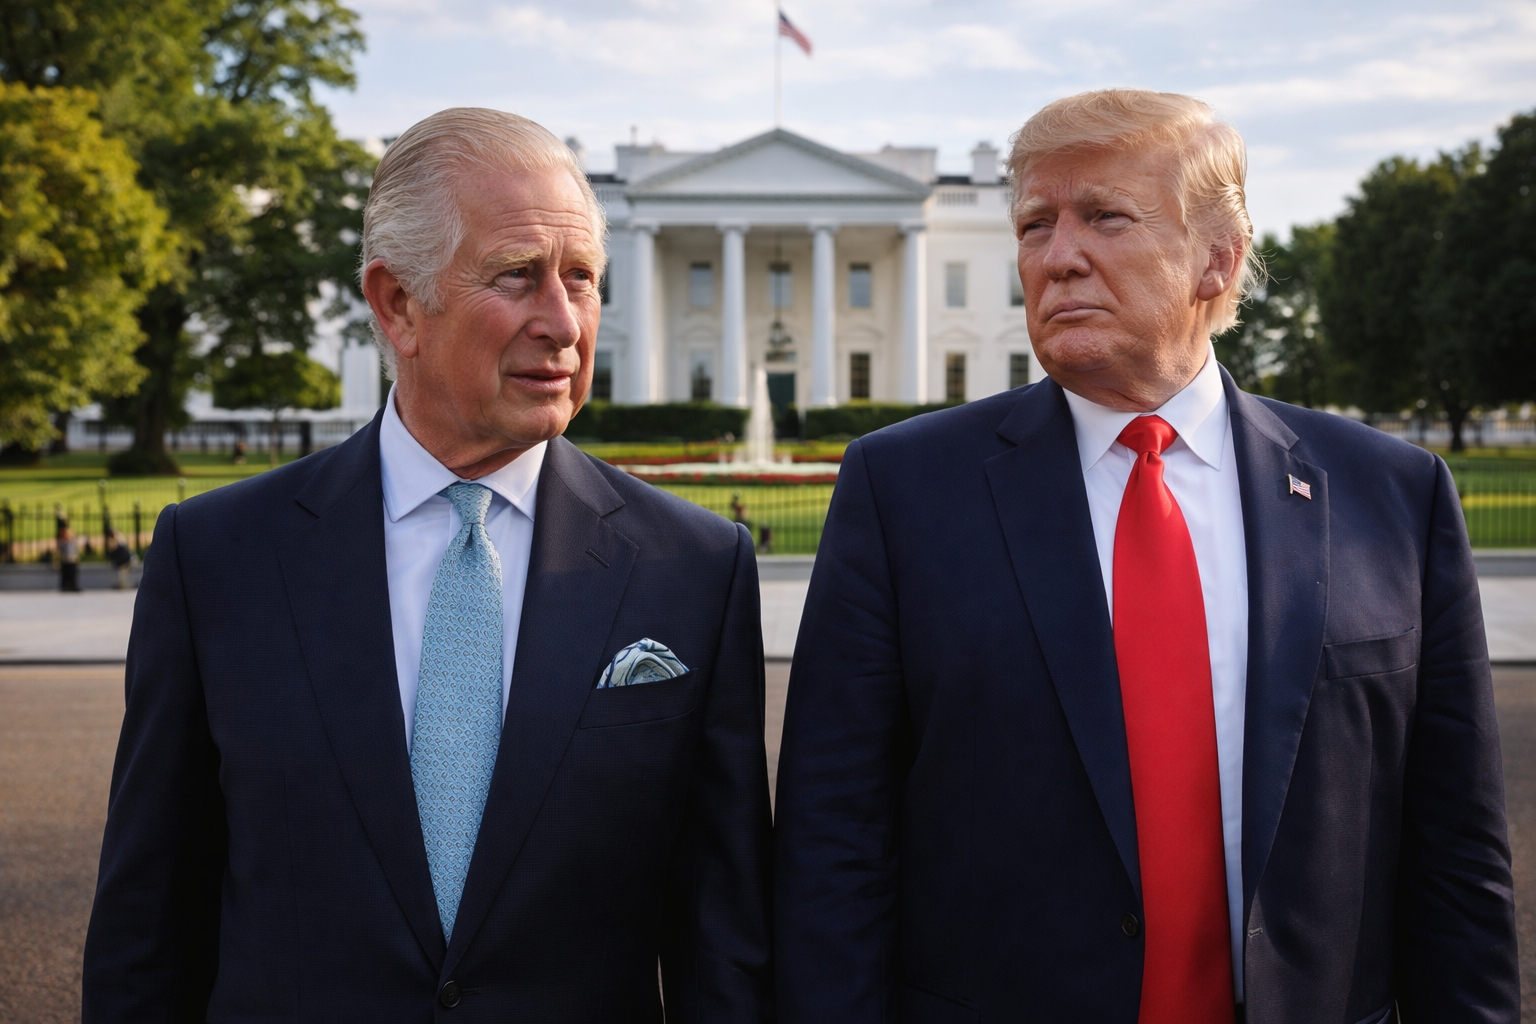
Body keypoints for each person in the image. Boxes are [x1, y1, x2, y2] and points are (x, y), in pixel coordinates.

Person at [774, 90, 1517, 1023]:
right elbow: (832, 842)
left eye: (1104, 218)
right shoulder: (902, 491)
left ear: (1219, 259)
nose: (1057, 257)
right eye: (1035, 224)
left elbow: (1456, 854)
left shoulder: (1392, 496)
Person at [84, 108, 773, 1022]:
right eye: (518, 277)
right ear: (397, 304)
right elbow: (149, 920)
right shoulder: (217, 559)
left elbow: (721, 937)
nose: (563, 324)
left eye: (581, 279)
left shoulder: (693, 566)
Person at [57, 526, 81, 592]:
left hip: (72, 560)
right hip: (65, 560)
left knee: (73, 574)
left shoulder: (73, 542)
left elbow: (76, 551)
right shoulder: (62, 542)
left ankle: (73, 585)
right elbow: (60, 552)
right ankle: (65, 586)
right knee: (65, 575)